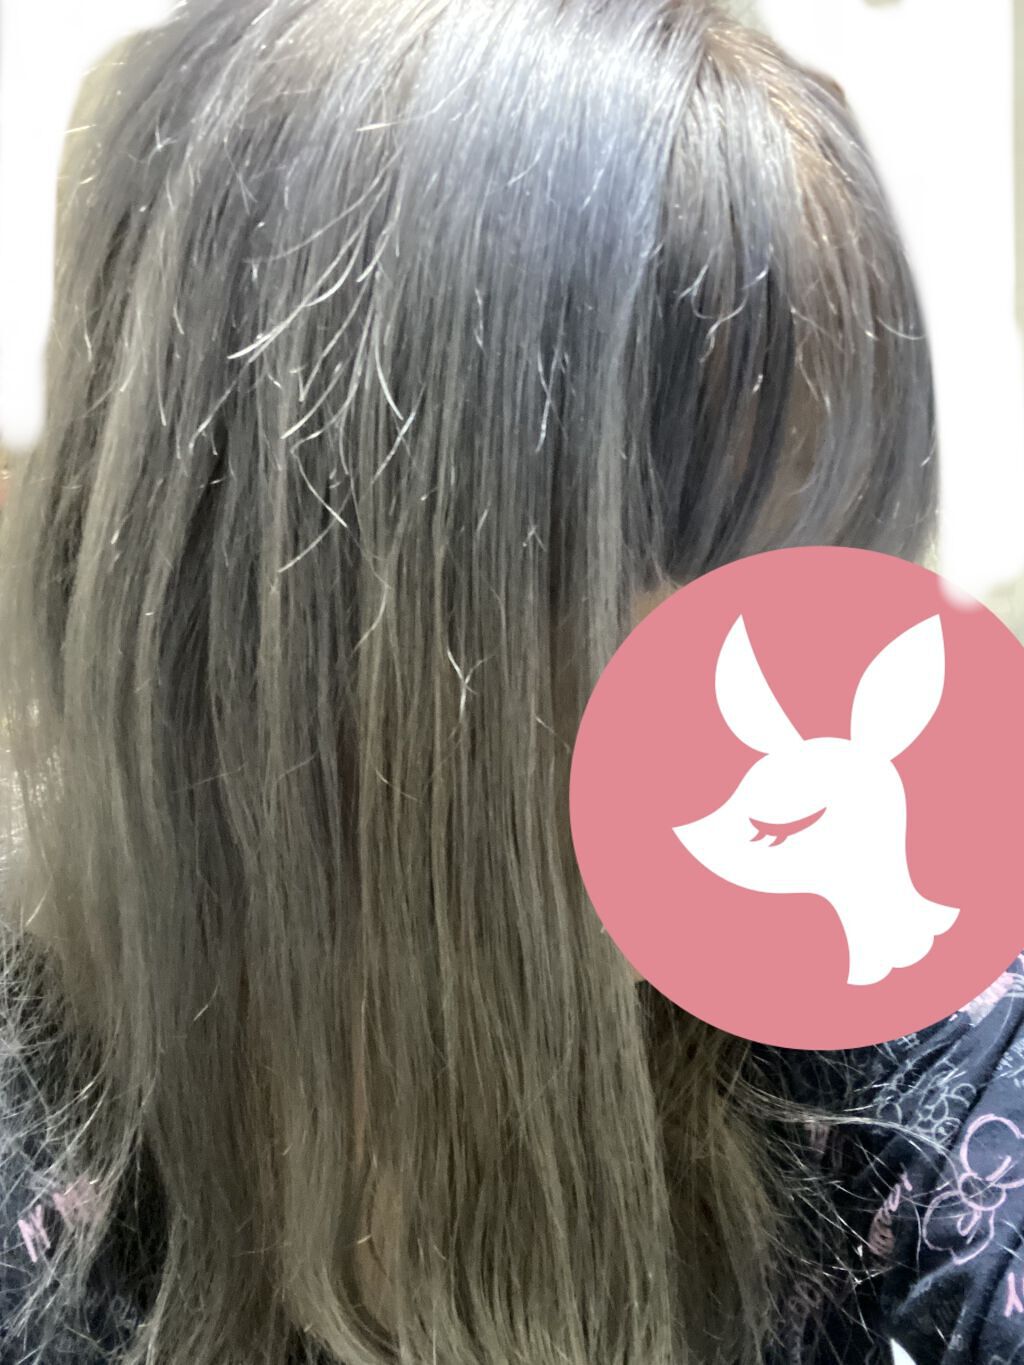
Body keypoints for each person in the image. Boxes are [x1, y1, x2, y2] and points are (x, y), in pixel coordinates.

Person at [0, 0, 1020, 1361]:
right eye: (667, 548)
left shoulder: (889, 1018)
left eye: (817, 556)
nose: (787, 671)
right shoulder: (47, 1087)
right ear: (269, 587)